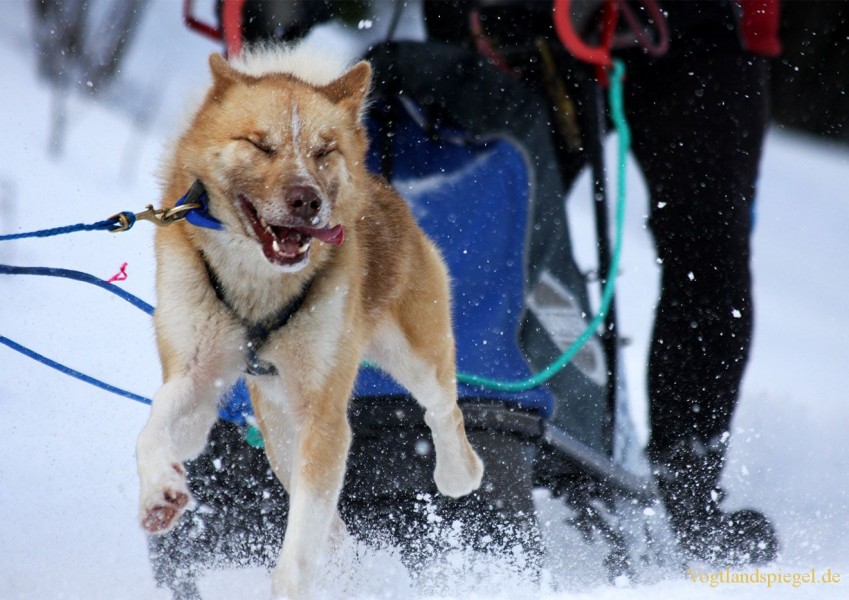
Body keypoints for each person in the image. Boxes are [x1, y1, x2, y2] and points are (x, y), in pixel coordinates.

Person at [424, 0, 780, 565]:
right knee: (485, 225)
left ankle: (690, 488)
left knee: (709, 250)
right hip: (536, 23)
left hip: (704, 24)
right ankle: (444, 446)